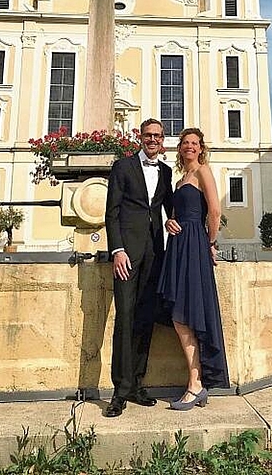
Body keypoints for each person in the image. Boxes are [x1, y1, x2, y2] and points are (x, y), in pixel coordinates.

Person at [104, 118, 174, 418]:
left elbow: (169, 206)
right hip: (127, 255)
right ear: (139, 137)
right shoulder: (122, 167)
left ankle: (137, 384)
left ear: (162, 140)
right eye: (148, 135)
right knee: (125, 318)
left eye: (157, 136)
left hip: (154, 252)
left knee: (146, 319)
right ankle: (119, 390)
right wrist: (117, 250)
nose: (153, 140)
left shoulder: (166, 171)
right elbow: (112, 212)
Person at [157, 127, 229, 410]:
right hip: (177, 244)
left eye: (194, 143)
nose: (189, 147)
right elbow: (174, 215)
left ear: (201, 148)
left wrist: (210, 242)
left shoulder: (203, 172)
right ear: (180, 149)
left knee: (190, 311)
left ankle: (196, 384)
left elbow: (215, 211)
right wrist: (168, 223)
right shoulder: (179, 181)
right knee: (180, 313)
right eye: (185, 143)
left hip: (195, 244)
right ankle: (196, 382)